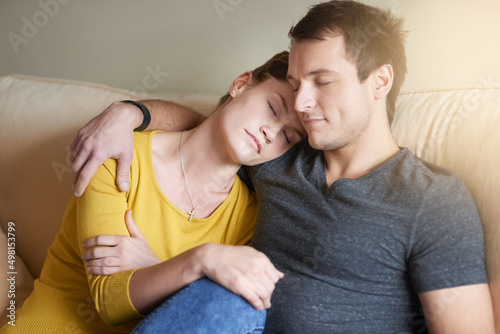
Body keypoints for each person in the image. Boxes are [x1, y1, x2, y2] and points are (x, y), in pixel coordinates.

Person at [69, 1, 495, 333]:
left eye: (322, 82)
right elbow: (212, 127)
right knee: (225, 300)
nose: (302, 104)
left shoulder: (433, 199)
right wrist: (129, 114)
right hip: (229, 323)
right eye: (294, 85)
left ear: (379, 82)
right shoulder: (278, 152)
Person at [0, 51, 308, 334]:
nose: (271, 132)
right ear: (241, 84)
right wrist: (201, 260)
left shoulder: (250, 217)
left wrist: (155, 263)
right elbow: (111, 300)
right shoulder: (119, 155)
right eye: (272, 108)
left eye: (287, 136)